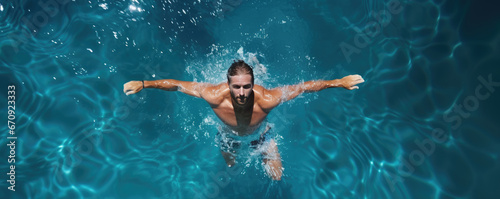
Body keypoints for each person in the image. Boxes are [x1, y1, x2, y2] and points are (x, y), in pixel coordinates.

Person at [123, 60, 364, 180]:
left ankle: (266, 144)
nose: (241, 93)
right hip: (227, 136)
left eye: (247, 87)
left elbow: (303, 88)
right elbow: (175, 85)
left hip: (261, 135)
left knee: (277, 177)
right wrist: (144, 84)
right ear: (227, 84)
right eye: (236, 87)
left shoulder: (266, 99)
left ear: (253, 84)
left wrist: (338, 82)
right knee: (230, 166)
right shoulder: (213, 95)